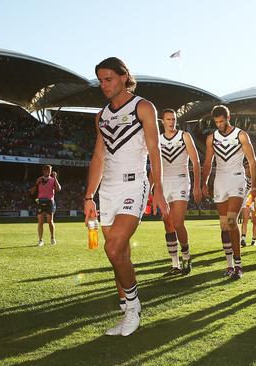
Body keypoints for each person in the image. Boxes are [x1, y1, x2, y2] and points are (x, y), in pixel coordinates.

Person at [83, 57, 169, 337]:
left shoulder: (143, 107)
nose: (103, 85)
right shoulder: (101, 116)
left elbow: (154, 150)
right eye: (100, 80)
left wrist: (158, 188)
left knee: (113, 248)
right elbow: (99, 156)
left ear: (123, 77)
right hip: (106, 190)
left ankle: (133, 308)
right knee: (119, 254)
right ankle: (125, 310)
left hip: (134, 185)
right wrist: (89, 196)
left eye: (108, 79)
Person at [201, 105, 256, 280]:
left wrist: (254, 186)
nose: (219, 124)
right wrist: (203, 182)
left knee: (232, 220)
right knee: (224, 225)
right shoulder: (212, 138)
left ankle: (239, 265)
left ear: (228, 118)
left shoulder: (241, 135)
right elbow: (208, 162)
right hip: (220, 180)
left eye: (221, 121)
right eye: (216, 122)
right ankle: (229, 265)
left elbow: (252, 160)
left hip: (237, 179)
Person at [159, 108, 202, 276]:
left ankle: (186, 256)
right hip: (164, 182)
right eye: (168, 119)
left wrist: (197, 185)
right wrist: (151, 186)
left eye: (174, 119)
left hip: (181, 180)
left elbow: (196, 162)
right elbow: (155, 165)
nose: (172, 122)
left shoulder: (184, 136)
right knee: (168, 224)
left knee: (177, 223)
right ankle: (175, 264)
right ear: (162, 121)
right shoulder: (158, 139)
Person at [29, 165, 61, 246]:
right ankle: (40, 240)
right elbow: (35, 190)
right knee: (40, 222)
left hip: (50, 202)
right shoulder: (39, 179)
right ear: (43, 171)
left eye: (49, 171)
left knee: (50, 221)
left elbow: (58, 189)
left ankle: (52, 238)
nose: (48, 172)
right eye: (46, 171)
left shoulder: (53, 180)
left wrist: (55, 178)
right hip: (40, 202)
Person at [240, 160, 256, 247]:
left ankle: (254, 239)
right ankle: (243, 238)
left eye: (249, 168)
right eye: (246, 168)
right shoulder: (242, 178)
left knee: (255, 221)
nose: (248, 170)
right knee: (245, 219)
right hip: (247, 200)